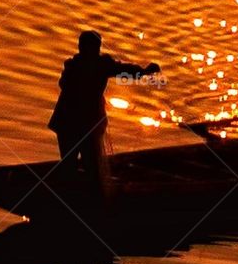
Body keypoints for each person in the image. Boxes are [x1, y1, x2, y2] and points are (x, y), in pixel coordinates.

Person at [48, 31, 160, 182]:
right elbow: (121, 70)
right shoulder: (89, 65)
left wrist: (143, 71)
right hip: (76, 123)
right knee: (88, 164)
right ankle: (84, 194)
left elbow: (123, 70)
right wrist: (143, 71)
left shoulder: (81, 65)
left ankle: (76, 191)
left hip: (71, 122)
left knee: (77, 164)